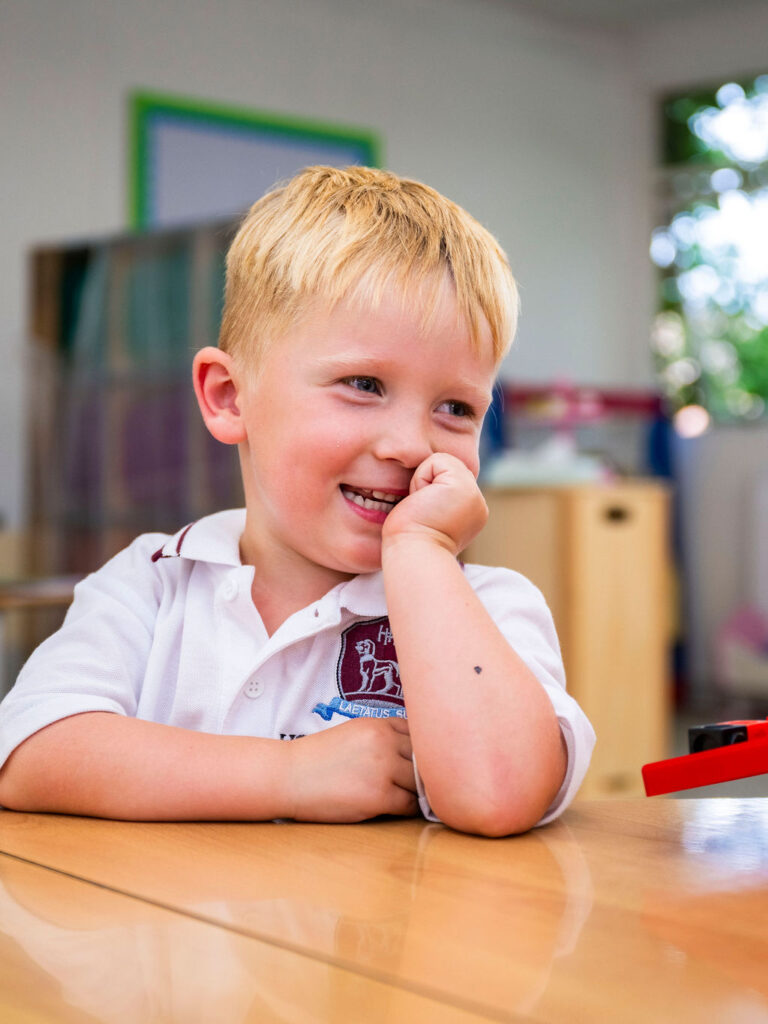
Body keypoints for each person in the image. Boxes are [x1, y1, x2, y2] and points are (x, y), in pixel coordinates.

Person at [0, 166, 594, 836]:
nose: (408, 443)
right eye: (364, 384)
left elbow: (499, 794)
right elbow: (30, 754)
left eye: (456, 408)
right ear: (229, 397)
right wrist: (288, 775)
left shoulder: (486, 608)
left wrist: (422, 554)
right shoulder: (153, 583)